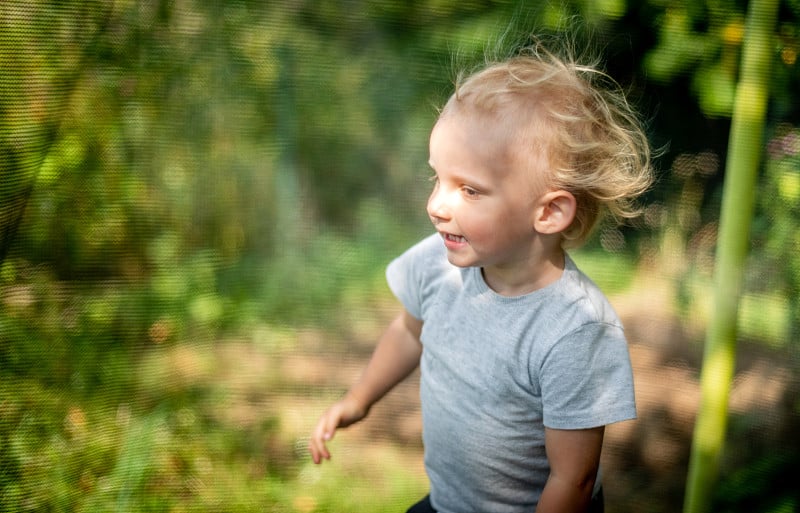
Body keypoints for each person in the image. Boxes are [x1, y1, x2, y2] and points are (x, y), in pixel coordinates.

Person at [309, 37, 654, 513]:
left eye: (469, 190)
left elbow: (573, 477)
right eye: (438, 179)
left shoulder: (574, 328)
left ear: (549, 212)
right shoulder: (436, 263)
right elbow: (410, 331)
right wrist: (359, 399)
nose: (435, 206)